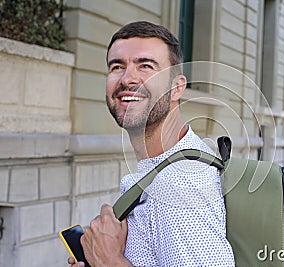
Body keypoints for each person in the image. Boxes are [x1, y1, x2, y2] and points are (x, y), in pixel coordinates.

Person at [68, 21, 235, 266]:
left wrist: (110, 261)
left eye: (145, 66)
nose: (127, 78)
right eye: (117, 66)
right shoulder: (162, 170)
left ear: (177, 87)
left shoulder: (181, 187)